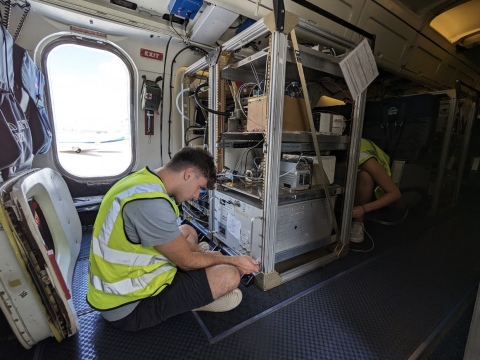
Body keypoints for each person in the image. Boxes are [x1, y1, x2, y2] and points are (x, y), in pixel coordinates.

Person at [87, 147, 259, 331]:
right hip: (128, 306)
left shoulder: (141, 180)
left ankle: (200, 274)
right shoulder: (151, 205)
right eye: (199, 188)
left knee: (187, 230)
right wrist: (231, 260)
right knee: (230, 276)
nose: (195, 196)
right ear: (188, 174)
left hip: (124, 278)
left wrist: (205, 253)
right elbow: (186, 261)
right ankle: (194, 297)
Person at [350, 138, 401, 243]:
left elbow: (395, 193)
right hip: (350, 173)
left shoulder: (366, 159)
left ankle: (358, 222)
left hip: (375, 176)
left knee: (366, 176)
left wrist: (363, 209)